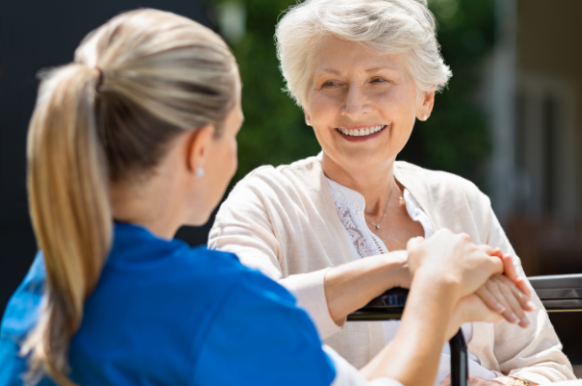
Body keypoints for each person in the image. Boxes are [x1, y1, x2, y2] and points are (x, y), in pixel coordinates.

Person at [0, 9, 516, 386]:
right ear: (201, 147)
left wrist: (404, 274)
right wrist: (436, 288)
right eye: (234, 132)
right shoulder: (214, 302)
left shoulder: (50, 280)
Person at [206, 1, 582, 386]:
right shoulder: (264, 199)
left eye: (379, 80)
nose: (354, 107)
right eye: (331, 84)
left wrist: (514, 385)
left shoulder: (459, 200)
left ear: (424, 99)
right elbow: (243, 318)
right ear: (306, 104)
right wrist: (407, 267)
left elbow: (540, 357)